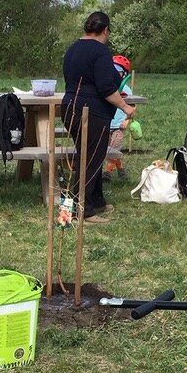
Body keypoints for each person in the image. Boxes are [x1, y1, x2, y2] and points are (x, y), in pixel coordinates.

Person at [61, 12, 137, 223]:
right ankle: (82, 210)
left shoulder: (72, 49)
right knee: (91, 159)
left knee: (90, 155)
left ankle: (97, 200)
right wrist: (125, 107)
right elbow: (106, 88)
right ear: (105, 30)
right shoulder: (101, 52)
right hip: (90, 112)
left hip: (69, 108)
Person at [104, 53, 136, 181]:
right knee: (109, 150)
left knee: (113, 149)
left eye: (118, 70)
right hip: (106, 125)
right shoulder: (106, 87)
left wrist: (127, 121)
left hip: (118, 126)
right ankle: (121, 169)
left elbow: (132, 107)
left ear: (124, 74)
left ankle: (107, 173)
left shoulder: (126, 90)